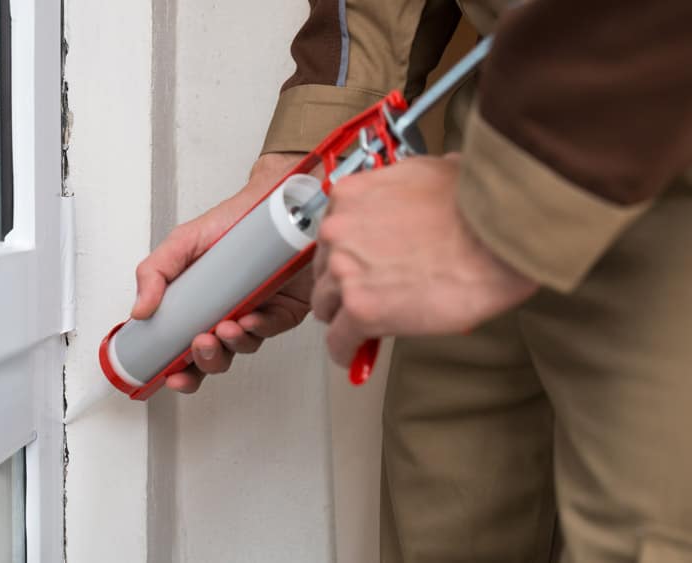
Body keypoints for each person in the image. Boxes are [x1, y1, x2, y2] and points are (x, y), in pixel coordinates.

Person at [131, 0, 692, 561]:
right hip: (501, 126)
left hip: (656, 137)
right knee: (447, 512)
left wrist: (513, 203)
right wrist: (315, 156)